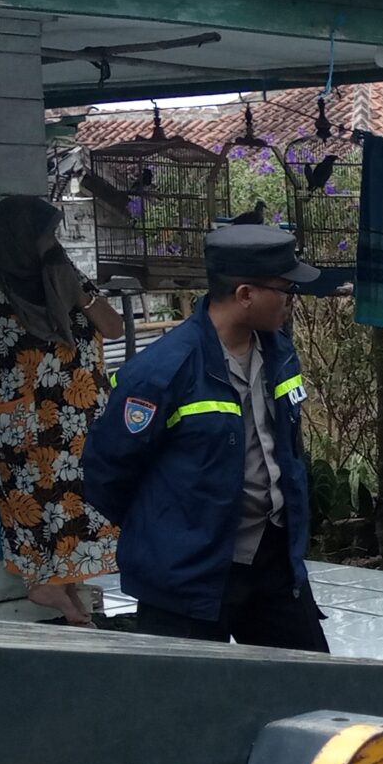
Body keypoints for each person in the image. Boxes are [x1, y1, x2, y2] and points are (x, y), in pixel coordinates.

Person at [85, 225, 333, 650]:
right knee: (190, 710)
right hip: (188, 577)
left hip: (272, 564)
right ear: (245, 295)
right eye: (285, 289)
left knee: (313, 696)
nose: (292, 300)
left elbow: (286, 447)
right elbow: (106, 473)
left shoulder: (278, 352)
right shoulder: (163, 372)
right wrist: (169, 532)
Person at [0, 196, 126, 626]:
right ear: (18, 240)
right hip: (28, 429)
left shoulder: (63, 278)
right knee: (42, 508)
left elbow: (112, 328)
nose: (51, 242)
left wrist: (76, 291)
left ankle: (70, 597)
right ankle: (48, 589)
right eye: (44, 235)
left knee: (78, 508)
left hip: (83, 421)